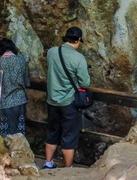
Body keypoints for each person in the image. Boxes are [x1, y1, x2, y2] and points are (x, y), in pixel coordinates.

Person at [43, 26, 90, 169]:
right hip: (69, 102)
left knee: (52, 131)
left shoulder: (51, 52)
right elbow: (85, 82)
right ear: (79, 40)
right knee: (69, 135)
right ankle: (68, 169)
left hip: (52, 100)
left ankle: (48, 163)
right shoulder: (78, 58)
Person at [0, 38, 30, 137]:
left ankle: (5, 151)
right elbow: (27, 82)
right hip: (19, 101)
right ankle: (19, 150)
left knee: (4, 133)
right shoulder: (22, 61)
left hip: (2, 101)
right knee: (19, 132)